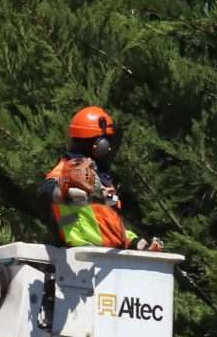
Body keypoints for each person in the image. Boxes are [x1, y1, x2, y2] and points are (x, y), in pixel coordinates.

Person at [39, 106, 162, 251]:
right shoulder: (66, 171)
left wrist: (137, 243)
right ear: (99, 145)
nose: (110, 149)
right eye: (108, 142)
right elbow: (44, 190)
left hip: (108, 260)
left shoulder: (100, 178)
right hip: (82, 258)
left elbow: (110, 225)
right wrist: (69, 194)